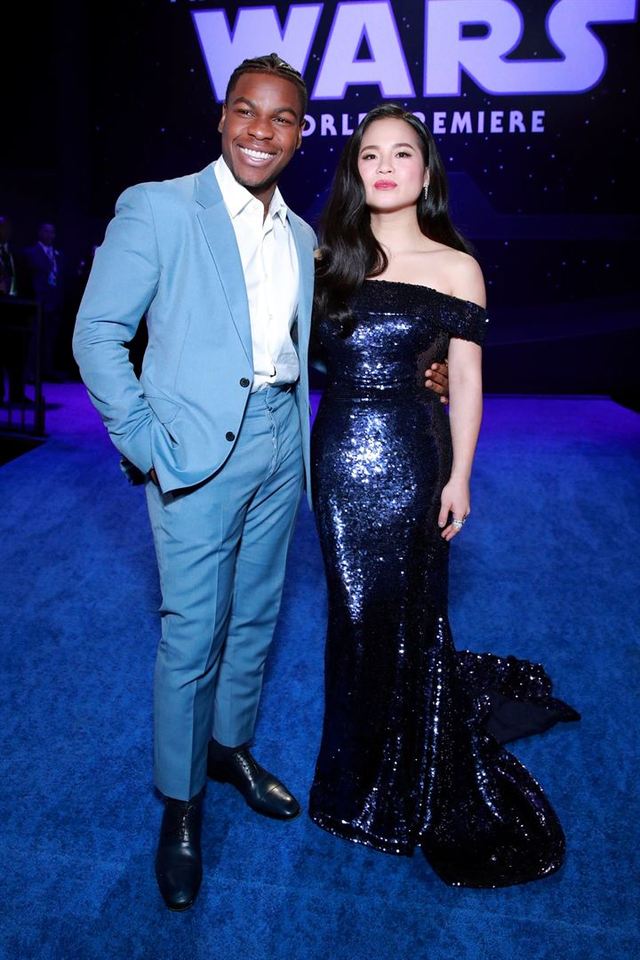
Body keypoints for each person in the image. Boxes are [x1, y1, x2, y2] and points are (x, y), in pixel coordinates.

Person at [309, 104, 579, 887]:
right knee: (352, 615)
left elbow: (464, 378)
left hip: (414, 458)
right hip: (337, 459)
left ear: (425, 172)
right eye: (370, 154)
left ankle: (403, 778)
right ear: (355, 170)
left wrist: (460, 475)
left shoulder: (457, 266)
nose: (385, 167)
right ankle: (353, 773)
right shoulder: (325, 256)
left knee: (410, 613)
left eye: (402, 154)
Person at [24, 222, 65, 380]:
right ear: (40, 233)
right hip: (38, 301)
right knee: (35, 338)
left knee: (50, 338)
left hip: (54, 302)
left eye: (52, 232)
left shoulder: (58, 254)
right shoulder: (31, 253)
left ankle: (47, 370)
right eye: (46, 231)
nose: (50, 235)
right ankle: (30, 371)